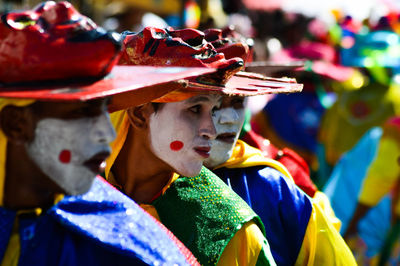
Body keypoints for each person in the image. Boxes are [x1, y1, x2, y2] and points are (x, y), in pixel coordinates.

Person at [0, 2, 206, 265]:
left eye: (104, 110)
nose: (106, 132)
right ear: (16, 123)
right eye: (81, 114)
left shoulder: (135, 254)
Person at [105, 26, 302, 265]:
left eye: (214, 109)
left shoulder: (231, 230)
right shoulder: (74, 192)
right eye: (195, 109)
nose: (211, 129)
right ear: (139, 114)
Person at [202, 93, 356, 265]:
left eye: (238, 102)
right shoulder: (169, 183)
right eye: (214, 105)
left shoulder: (273, 183)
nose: (230, 118)